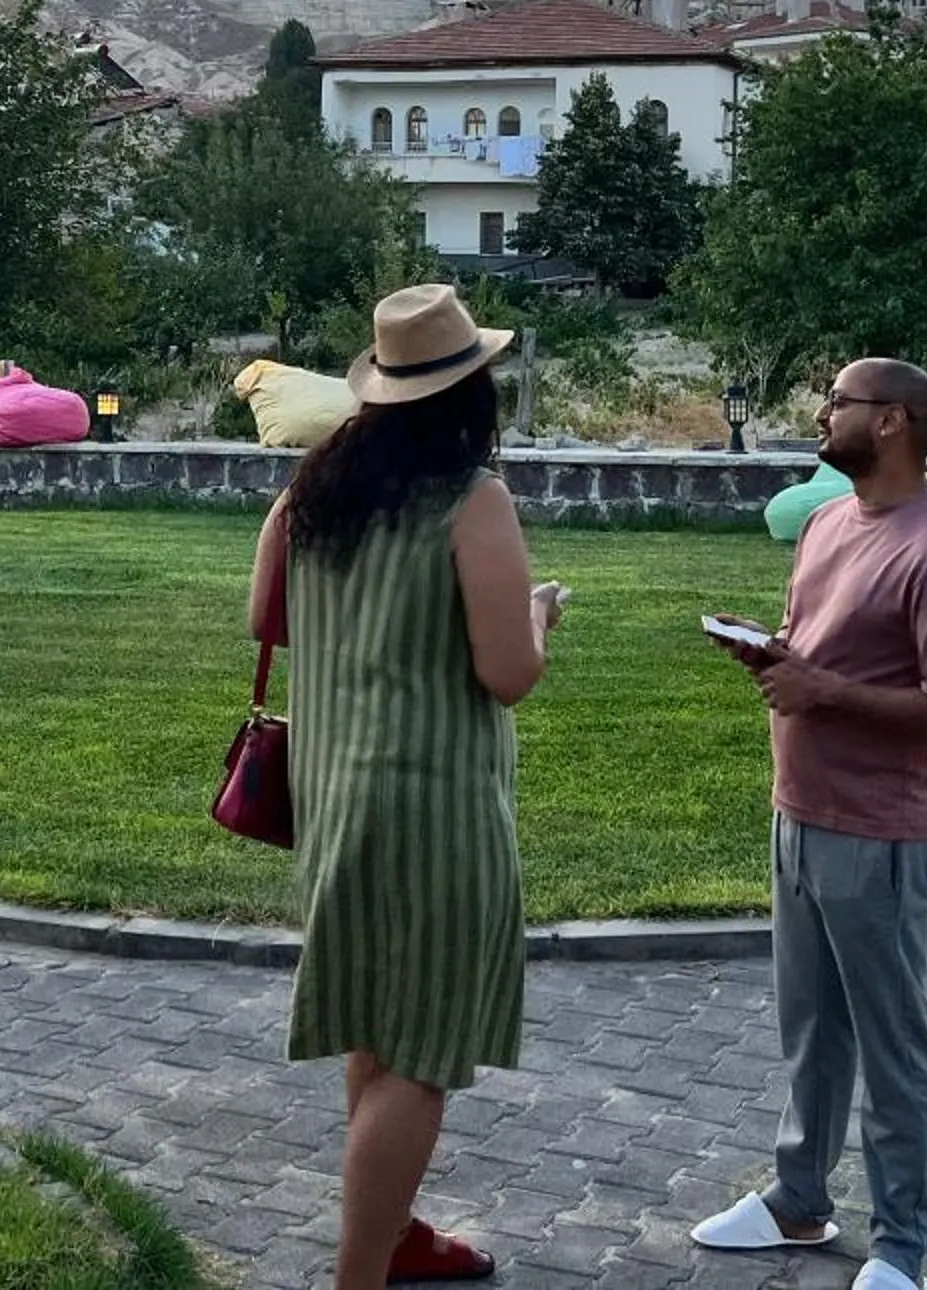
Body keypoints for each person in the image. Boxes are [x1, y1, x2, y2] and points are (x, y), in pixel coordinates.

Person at [246, 284, 564, 1290]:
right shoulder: (473, 501)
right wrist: (541, 615)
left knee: (378, 1030)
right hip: (433, 804)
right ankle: (360, 1276)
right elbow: (508, 672)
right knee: (421, 1050)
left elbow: (269, 617)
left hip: (334, 790)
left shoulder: (311, 490)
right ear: (473, 394)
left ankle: (393, 1238)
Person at [688, 358, 927, 1290]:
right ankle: (799, 1203)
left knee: (892, 1045)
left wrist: (821, 688)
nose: (822, 414)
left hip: (882, 833)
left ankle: (902, 1247)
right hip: (800, 813)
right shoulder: (828, 520)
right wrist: (778, 657)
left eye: (840, 403)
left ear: (896, 422)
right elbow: (829, 655)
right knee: (813, 1029)